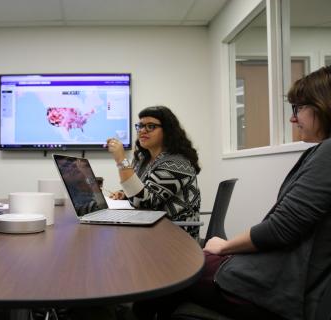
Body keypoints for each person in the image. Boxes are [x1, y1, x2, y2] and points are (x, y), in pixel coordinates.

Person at [134, 66, 331, 320]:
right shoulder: (320, 153)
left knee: (164, 271)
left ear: (323, 105)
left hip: (273, 286)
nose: (293, 119)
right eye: (141, 126)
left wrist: (226, 247)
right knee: (167, 279)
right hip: (277, 275)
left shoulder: (327, 153)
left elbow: (281, 229)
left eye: (298, 108)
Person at [107, 106, 201, 240]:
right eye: (140, 126)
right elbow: (141, 192)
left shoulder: (178, 164)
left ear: (168, 131)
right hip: (151, 231)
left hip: (176, 240)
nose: (142, 131)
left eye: (150, 126)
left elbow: (143, 202)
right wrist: (124, 194)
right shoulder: (143, 159)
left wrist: (121, 160)